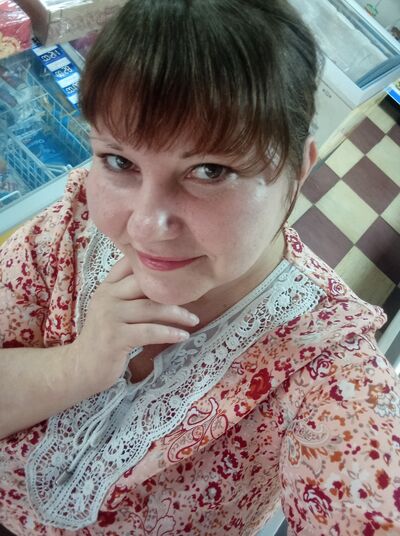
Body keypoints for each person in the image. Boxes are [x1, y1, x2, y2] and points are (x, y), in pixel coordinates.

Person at [0, 0, 399, 534]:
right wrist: (79, 365)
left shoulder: (324, 365)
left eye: (210, 170)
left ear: (298, 171)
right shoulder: (72, 224)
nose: (146, 226)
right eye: (119, 161)